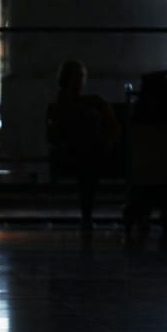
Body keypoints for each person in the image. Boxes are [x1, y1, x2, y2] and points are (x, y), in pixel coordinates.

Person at [46, 60, 120, 229]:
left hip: (83, 152)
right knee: (88, 166)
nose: (80, 80)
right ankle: (87, 215)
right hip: (82, 152)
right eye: (78, 76)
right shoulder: (87, 104)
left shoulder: (82, 103)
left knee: (88, 164)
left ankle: (87, 215)